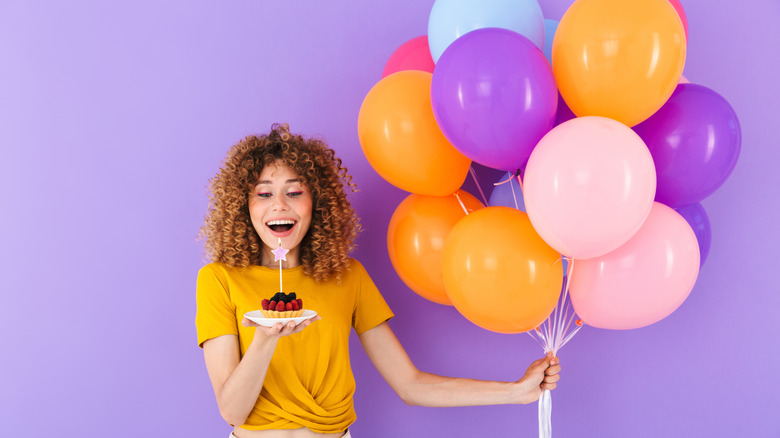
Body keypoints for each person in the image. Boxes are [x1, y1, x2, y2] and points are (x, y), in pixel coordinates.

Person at [196, 123, 562, 438]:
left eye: (294, 192)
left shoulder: (348, 277)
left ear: (315, 203)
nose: (279, 205)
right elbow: (232, 411)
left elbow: (410, 384)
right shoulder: (219, 280)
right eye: (264, 194)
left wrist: (516, 391)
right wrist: (264, 340)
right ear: (244, 206)